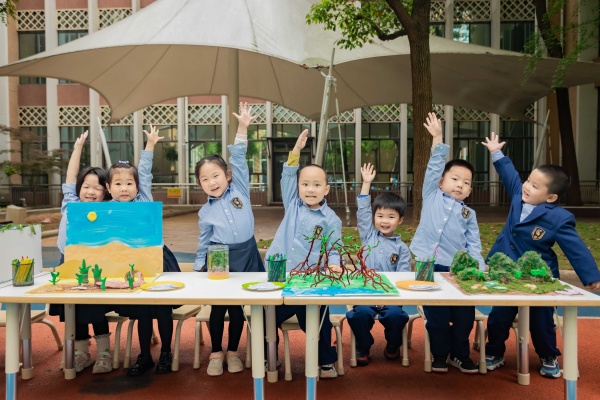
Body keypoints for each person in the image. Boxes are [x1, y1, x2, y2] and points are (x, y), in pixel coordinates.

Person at [481, 132, 600, 378]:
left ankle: (548, 354)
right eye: (528, 180)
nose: (526, 186)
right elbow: (509, 174)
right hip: (505, 271)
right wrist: (496, 152)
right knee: (499, 315)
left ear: (551, 197)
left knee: (541, 320)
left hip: (538, 278)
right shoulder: (518, 194)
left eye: (535, 186)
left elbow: (574, 247)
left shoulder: (557, 217)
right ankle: (494, 351)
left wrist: (591, 276)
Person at [410, 112, 485, 374]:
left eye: (466, 183)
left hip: (459, 270)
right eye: (454, 179)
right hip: (425, 263)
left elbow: (474, 243)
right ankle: (440, 354)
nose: (460, 185)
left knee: (463, 317)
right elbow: (433, 167)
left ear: (470, 190)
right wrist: (438, 139)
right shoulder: (431, 195)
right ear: (441, 182)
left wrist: (478, 268)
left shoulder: (469, 214)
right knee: (437, 316)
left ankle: (460, 355)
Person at [193, 102, 265, 377]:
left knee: (237, 308)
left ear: (227, 175)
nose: (212, 182)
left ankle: (233, 351)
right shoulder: (205, 212)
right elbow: (204, 241)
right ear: (199, 184)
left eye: (216, 175)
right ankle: (215, 352)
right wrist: (200, 267)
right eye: (204, 179)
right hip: (219, 254)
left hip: (247, 251)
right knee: (219, 306)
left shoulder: (240, 188)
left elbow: (238, 157)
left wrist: (243, 128)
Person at [265, 129, 340, 379]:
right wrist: (296, 151)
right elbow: (286, 174)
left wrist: (335, 265)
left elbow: (334, 249)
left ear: (326, 190)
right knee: (266, 316)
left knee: (318, 321)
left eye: (317, 185)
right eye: (305, 184)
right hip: (280, 277)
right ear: (297, 188)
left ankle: (325, 361)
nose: (310, 189)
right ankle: (270, 358)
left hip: (311, 282)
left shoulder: (331, 219)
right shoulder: (293, 205)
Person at [106, 125, 179, 377]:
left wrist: (149, 147)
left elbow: (145, 172)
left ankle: (167, 352)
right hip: (128, 267)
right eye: (118, 183)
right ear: (109, 188)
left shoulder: (144, 199)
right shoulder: (108, 210)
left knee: (161, 309)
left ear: (137, 186)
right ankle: (145, 355)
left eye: (129, 183)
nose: (124, 188)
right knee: (142, 311)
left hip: (157, 261)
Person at [50, 131, 115, 374]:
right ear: (78, 189)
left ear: (105, 192)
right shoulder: (71, 203)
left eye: (97, 188)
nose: (90, 191)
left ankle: (104, 353)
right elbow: (69, 177)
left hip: (95, 266)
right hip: (68, 263)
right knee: (73, 309)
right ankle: (81, 354)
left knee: (94, 309)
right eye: (86, 186)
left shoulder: (107, 209)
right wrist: (77, 149)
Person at [346, 163, 411, 366]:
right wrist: (366, 183)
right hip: (365, 294)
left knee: (395, 315)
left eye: (391, 217)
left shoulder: (402, 249)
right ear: (374, 218)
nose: (384, 221)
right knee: (360, 314)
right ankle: (363, 346)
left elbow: (402, 279)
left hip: (390, 297)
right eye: (380, 216)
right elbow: (363, 211)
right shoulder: (368, 236)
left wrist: (388, 296)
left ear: (400, 220)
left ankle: (393, 345)